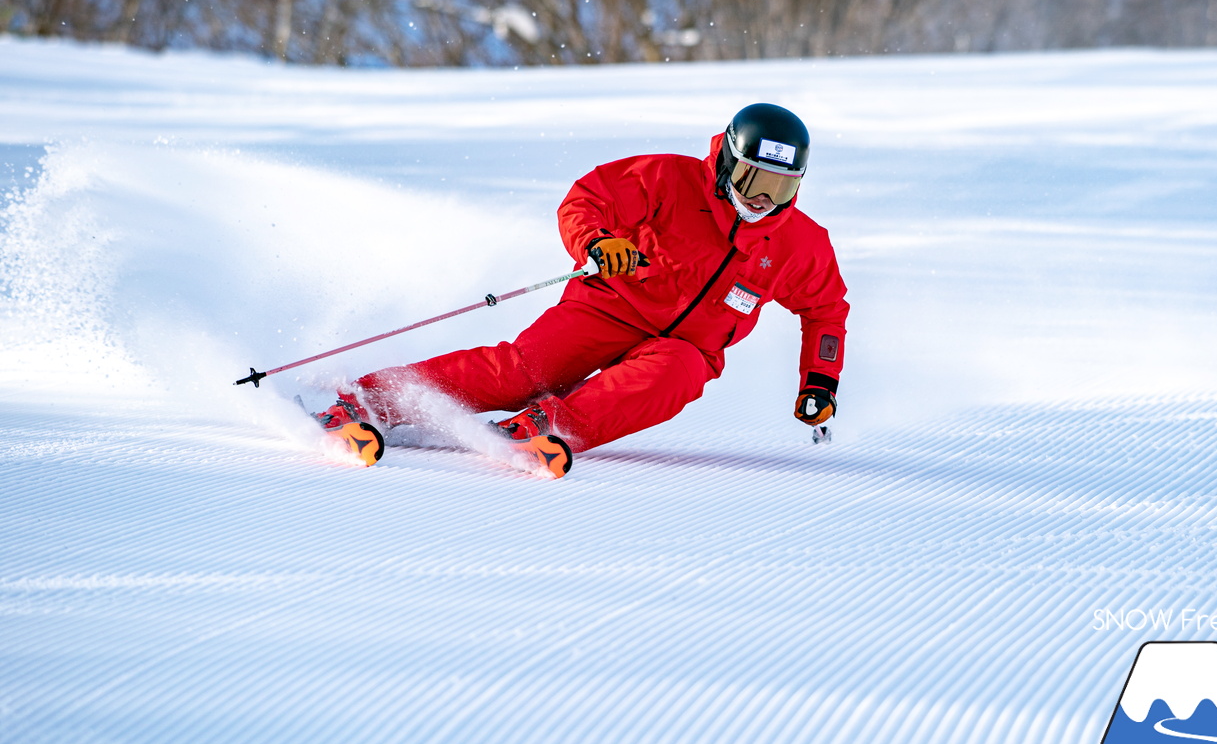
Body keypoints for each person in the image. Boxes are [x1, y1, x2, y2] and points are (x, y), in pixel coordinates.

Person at [314, 103, 849, 476]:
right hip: (610, 307)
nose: (764, 200)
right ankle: (365, 401)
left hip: (686, 346)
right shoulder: (668, 179)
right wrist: (597, 243)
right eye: (755, 180)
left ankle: (547, 427)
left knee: (679, 374)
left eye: (782, 187)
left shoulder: (798, 243)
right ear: (729, 162)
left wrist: (819, 382)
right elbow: (585, 200)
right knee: (524, 372)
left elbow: (826, 311)